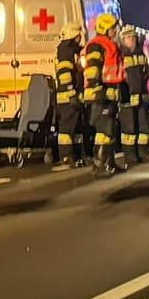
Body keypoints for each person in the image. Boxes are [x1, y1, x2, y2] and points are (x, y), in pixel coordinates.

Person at [82, 13, 126, 176]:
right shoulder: (97, 45)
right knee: (104, 130)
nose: (116, 30)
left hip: (109, 94)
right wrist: (97, 89)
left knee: (110, 129)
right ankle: (100, 164)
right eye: (113, 28)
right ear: (105, 28)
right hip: (101, 95)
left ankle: (109, 163)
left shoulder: (109, 44)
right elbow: (93, 68)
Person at [117, 25, 149, 164]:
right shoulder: (119, 55)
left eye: (133, 37)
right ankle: (130, 157)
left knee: (143, 128)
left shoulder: (140, 54)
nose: (131, 40)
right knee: (129, 130)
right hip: (127, 97)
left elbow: (145, 72)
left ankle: (144, 154)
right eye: (128, 38)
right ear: (122, 40)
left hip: (142, 95)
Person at [51, 22, 86, 169]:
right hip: (67, 96)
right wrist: (72, 92)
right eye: (79, 35)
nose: (80, 38)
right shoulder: (66, 50)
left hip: (70, 95)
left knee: (74, 127)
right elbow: (65, 74)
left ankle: (75, 156)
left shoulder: (70, 49)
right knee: (66, 129)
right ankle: (66, 157)